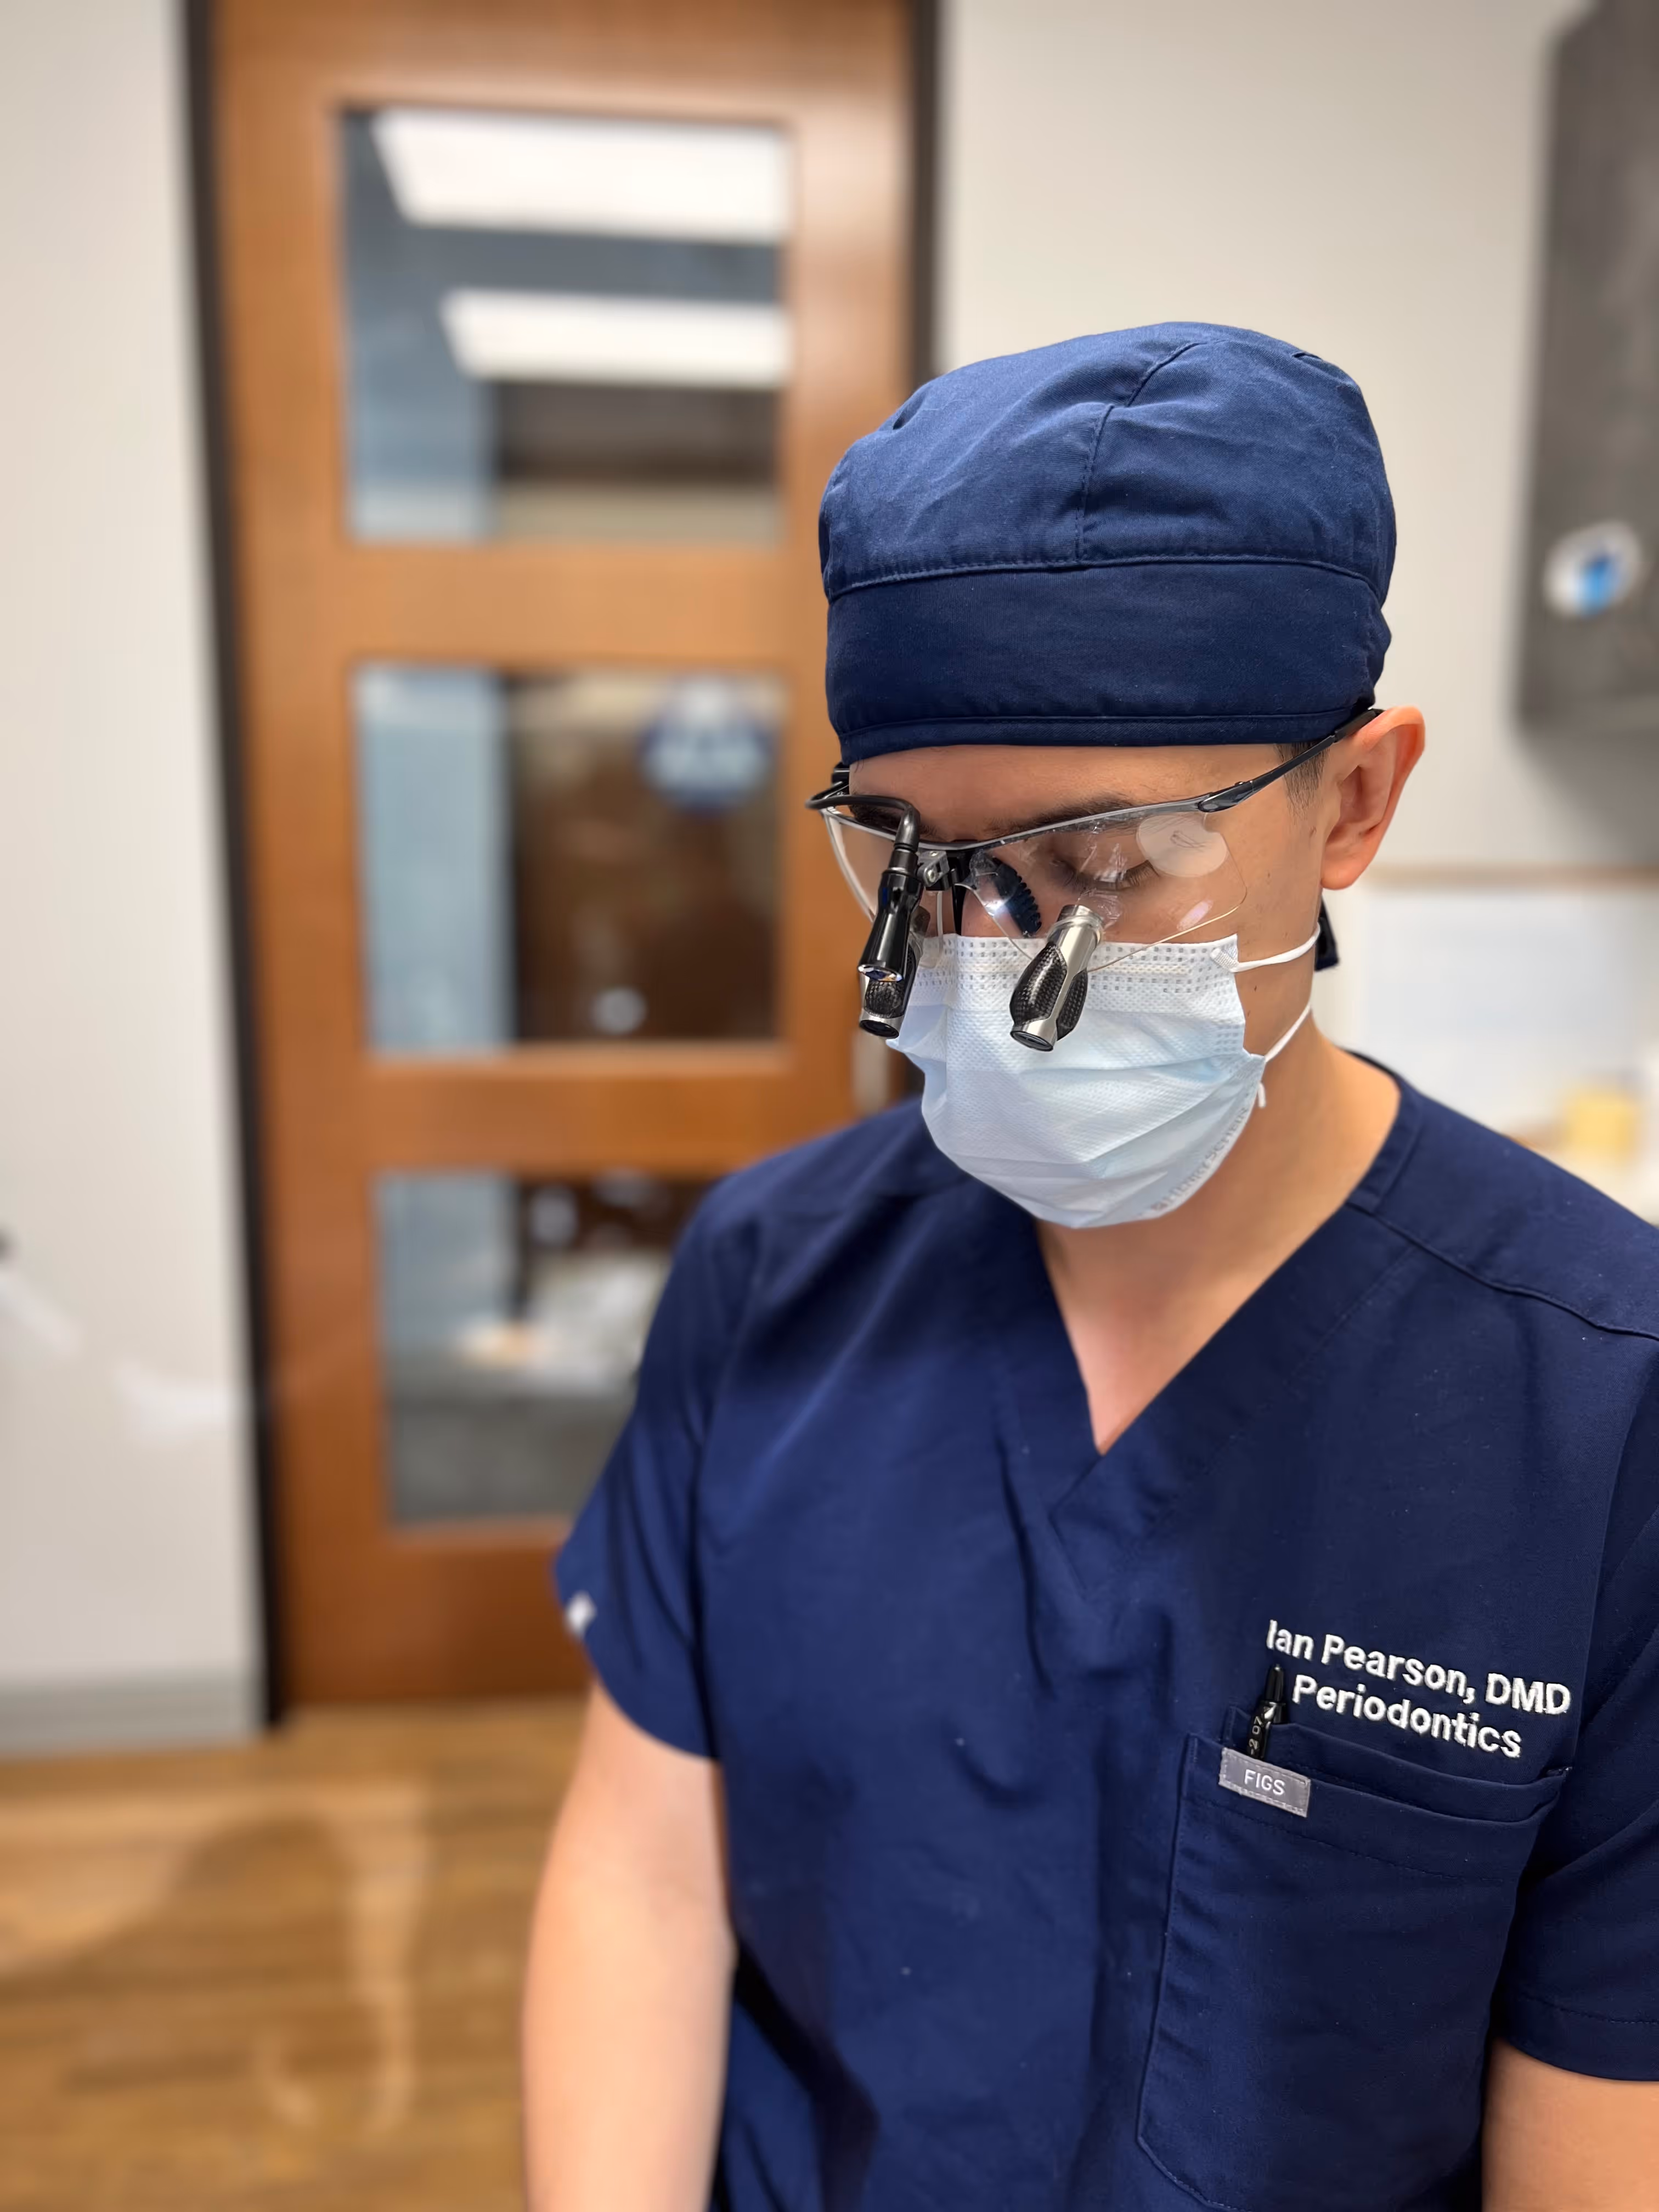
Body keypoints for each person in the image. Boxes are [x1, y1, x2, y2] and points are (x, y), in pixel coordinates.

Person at [521, 325, 1659, 2211]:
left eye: (1108, 865)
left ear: (1354, 803)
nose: (987, 958)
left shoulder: (1601, 1416)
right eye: (911, 854)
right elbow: (645, 1878)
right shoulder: (773, 1275)